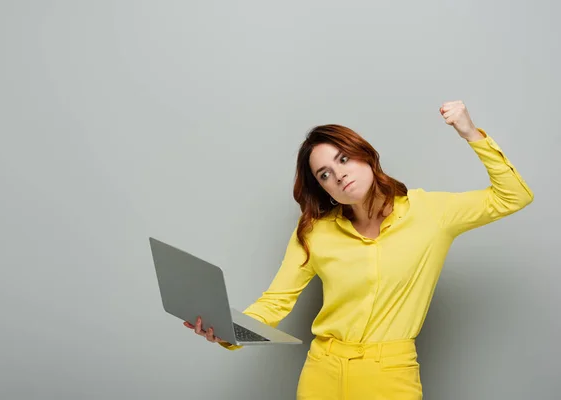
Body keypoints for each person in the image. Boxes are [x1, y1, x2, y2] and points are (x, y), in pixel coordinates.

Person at [183, 100, 534, 399]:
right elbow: (275, 302)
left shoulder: (431, 213)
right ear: (324, 190)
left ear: (366, 156)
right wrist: (227, 330)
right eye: (324, 174)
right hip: (322, 372)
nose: (338, 174)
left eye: (343, 159)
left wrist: (471, 133)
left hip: (391, 374)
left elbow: (513, 196)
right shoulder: (314, 232)